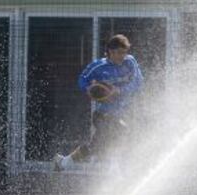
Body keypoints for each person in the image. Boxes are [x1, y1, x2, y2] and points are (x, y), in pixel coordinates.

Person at [53, 34, 143, 171]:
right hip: (104, 114)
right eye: (119, 53)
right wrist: (88, 88)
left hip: (125, 113)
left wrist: (119, 90)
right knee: (124, 133)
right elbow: (82, 79)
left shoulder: (130, 62)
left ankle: (64, 162)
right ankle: (122, 171)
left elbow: (138, 82)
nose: (123, 56)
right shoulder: (98, 66)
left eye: (125, 52)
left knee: (96, 147)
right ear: (111, 52)